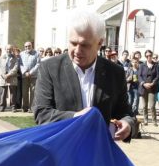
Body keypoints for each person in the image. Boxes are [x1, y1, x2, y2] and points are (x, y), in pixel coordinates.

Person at [33, 11, 133, 141]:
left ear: (100, 43)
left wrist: (128, 124)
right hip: (60, 152)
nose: (77, 51)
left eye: (85, 45)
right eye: (73, 43)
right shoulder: (49, 68)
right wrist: (76, 117)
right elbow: (41, 113)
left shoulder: (115, 72)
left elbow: (125, 112)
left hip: (97, 153)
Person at [137, 49, 159, 126]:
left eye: (150, 55)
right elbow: (139, 76)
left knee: (152, 106)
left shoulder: (156, 65)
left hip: (152, 87)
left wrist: (153, 83)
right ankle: (145, 120)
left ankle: (154, 121)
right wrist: (143, 83)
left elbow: (158, 76)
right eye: (147, 56)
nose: (148, 57)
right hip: (144, 88)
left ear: (152, 55)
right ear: (145, 56)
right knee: (144, 106)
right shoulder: (142, 65)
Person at [0, 45, 21, 112]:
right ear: (5, 50)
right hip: (3, 77)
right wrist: (2, 74)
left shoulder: (15, 58)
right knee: (3, 93)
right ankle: (2, 106)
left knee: (13, 93)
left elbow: (16, 67)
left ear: (12, 50)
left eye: (10, 49)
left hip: (12, 77)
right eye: (7, 49)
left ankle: (13, 107)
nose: (9, 50)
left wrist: (9, 74)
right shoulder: (2, 57)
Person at [20, 42, 39, 112]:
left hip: (33, 76)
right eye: (26, 46)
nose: (27, 47)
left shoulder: (36, 53)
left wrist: (30, 72)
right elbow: (20, 64)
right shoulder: (21, 54)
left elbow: (38, 64)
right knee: (24, 92)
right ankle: (25, 107)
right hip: (25, 76)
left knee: (33, 92)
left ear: (32, 46)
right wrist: (25, 72)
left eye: (29, 46)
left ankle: (31, 108)